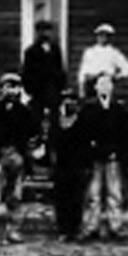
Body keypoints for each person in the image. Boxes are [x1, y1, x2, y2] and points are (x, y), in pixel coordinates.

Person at [75, 73, 128, 239]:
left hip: (113, 156)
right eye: (101, 84)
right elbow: (83, 133)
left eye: (108, 84)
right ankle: (91, 226)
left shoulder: (118, 108)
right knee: (94, 193)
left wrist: (117, 151)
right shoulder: (88, 108)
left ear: (112, 87)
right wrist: (90, 151)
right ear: (95, 88)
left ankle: (116, 226)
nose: (105, 87)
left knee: (114, 193)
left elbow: (122, 134)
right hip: (94, 157)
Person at [0, 73, 39, 239]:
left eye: (15, 87)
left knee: (15, 196)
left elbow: (34, 134)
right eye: (8, 87)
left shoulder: (25, 112)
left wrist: (27, 154)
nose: (12, 91)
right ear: (2, 88)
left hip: (18, 156)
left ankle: (13, 230)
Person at [49, 92, 91, 239]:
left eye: (72, 100)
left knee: (77, 199)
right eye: (66, 100)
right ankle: (63, 230)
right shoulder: (55, 121)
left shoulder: (83, 120)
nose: (69, 103)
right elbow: (52, 143)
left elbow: (86, 144)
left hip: (78, 165)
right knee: (61, 199)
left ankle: (75, 228)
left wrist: (86, 165)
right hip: (61, 166)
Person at [19, 19, 68, 118]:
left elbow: (60, 69)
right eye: (41, 30)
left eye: (47, 30)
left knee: (54, 118)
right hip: (37, 90)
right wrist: (30, 88)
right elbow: (26, 72)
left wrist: (61, 86)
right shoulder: (30, 52)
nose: (45, 33)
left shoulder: (55, 50)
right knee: (37, 117)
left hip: (53, 90)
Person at [75, 23, 128, 99]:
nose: (103, 38)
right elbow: (82, 72)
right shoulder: (89, 52)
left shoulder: (114, 53)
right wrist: (81, 89)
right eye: (100, 35)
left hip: (107, 85)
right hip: (91, 86)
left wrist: (116, 77)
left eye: (106, 35)